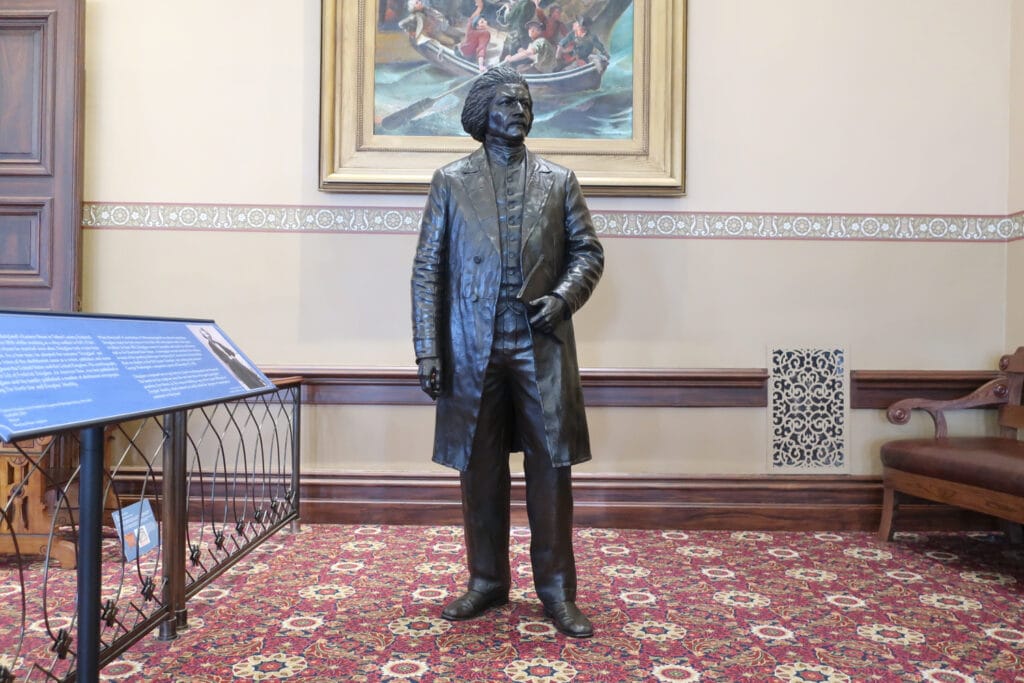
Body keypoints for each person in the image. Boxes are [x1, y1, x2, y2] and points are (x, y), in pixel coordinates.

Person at [411, 66, 604, 638]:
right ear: (481, 114)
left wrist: (564, 300)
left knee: (552, 468)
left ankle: (557, 592)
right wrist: (428, 350)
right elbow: (428, 270)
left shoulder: (559, 180)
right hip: (471, 344)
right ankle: (487, 582)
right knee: (480, 466)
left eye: (524, 103)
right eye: (506, 103)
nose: (518, 111)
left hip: (538, 342)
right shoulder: (450, 181)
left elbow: (588, 254)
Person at [458, 1, 492, 71]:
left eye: (484, 20)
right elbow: (481, 49)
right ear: (477, 27)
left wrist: (480, 7)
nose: (486, 22)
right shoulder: (485, 34)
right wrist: (480, 66)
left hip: (459, 50)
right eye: (482, 22)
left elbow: (471, 18)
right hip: (468, 57)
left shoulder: (470, 28)